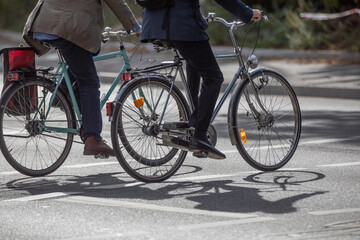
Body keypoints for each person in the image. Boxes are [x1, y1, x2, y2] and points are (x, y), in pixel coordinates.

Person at [140, 0, 261, 159]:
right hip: (180, 25)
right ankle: (200, 135)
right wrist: (247, 13)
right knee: (214, 78)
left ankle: (193, 123)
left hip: (154, 24)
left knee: (195, 63)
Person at [23, 0, 141, 157]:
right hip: (68, 27)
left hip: (43, 23)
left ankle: (63, 92)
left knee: (86, 55)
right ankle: (93, 138)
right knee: (89, 82)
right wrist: (135, 27)